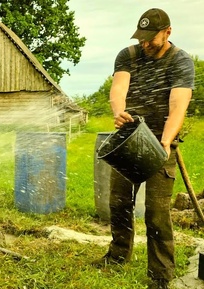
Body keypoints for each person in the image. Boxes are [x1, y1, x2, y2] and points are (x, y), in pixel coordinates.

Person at [91, 8, 194, 289]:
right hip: (129, 139)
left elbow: (178, 105)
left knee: (157, 212)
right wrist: (119, 112)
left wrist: (164, 141)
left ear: (168, 32)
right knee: (119, 202)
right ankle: (118, 255)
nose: (145, 43)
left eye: (151, 38)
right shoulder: (129, 55)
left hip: (162, 141)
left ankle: (160, 275)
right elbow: (118, 88)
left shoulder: (181, 61)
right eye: (141, 37)